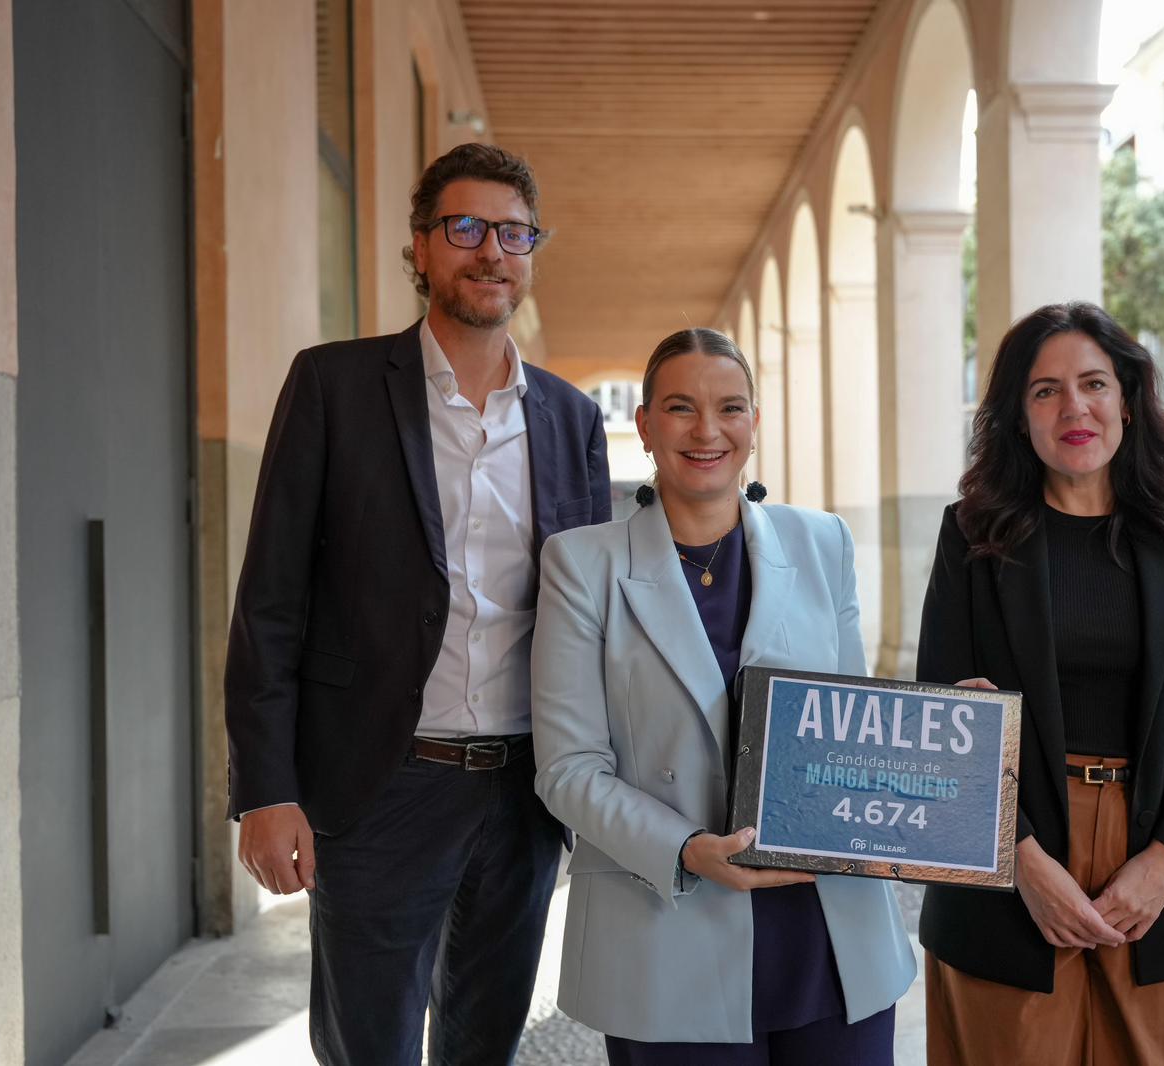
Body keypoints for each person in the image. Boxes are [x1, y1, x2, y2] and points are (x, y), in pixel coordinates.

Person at [224, 142, 611, 1066]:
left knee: (484, 1044)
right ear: (421, 246)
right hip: (380, 785)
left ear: (532, 251)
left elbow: (593, 616)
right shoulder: (334, 386)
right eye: (466, 228)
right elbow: (270, 602)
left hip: (523, 792)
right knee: (369, 1047)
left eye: (513, 233)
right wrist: (266, 790)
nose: (491, 252)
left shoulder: (570, 419)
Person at [530, 328, 915, 1065]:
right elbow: (568, 770)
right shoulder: (581, 565)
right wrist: (685, 851)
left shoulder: (823, 543)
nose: (707, 430)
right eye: (681, 408)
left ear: (754, 424)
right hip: (665, 921)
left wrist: (941, 723)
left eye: (730, 408)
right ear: (645, 425)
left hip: (829, 927)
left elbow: (853, 727)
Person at [916, 302, 1164, 1065]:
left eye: (1094, 384)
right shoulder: (970, 536)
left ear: (1127, 402)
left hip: (1163, 866)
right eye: (1046, 391)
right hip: (1011, 860)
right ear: (1018, 415)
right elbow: (942, 719)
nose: (1075, 407)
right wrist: (1022, 863)